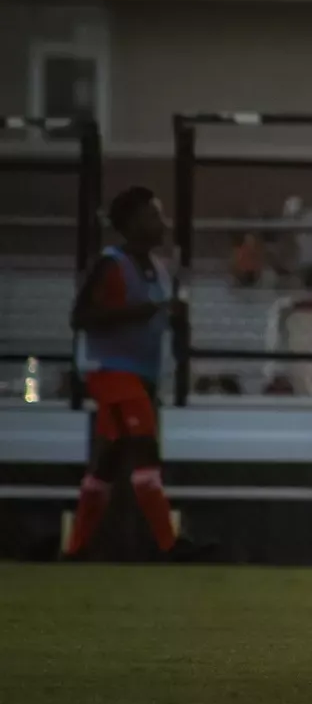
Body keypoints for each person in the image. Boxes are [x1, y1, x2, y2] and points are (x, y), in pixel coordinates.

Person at [65, 186, 200, 562]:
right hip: (111, 371)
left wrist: (171, 317)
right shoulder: (110, 263)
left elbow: (154, 315)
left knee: (107, 462)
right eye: (153, 215)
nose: (162, 222)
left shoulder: (157, 268)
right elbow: (80, 318)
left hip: (141, 372)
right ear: (130, 223)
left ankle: (75, 550)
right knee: (145, 448)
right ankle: (169, 545)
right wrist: (143, 311)